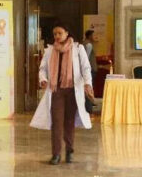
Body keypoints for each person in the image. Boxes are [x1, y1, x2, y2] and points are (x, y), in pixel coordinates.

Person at [30, 24, 94, 165]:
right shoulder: (50, 50)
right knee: (56, 123)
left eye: (59, 33)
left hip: (72, 90)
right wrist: (43, 79)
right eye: (55, 34)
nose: (57, 36)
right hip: (56, 91)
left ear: (67, 33)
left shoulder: (78, 49)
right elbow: (42, 68)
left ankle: (69, 151)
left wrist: (88, 83)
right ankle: (56, 154)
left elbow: (86, 68)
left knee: (69, 122)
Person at [83, 29, 97, 112]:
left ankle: (88, 107)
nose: (95, 37)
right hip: (89, 69)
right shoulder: (88, 45)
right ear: (89, 36)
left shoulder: (84, 43)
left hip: (88, 69)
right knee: (89, 88)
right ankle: (88, 108)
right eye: (93, 35)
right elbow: (86, 59)